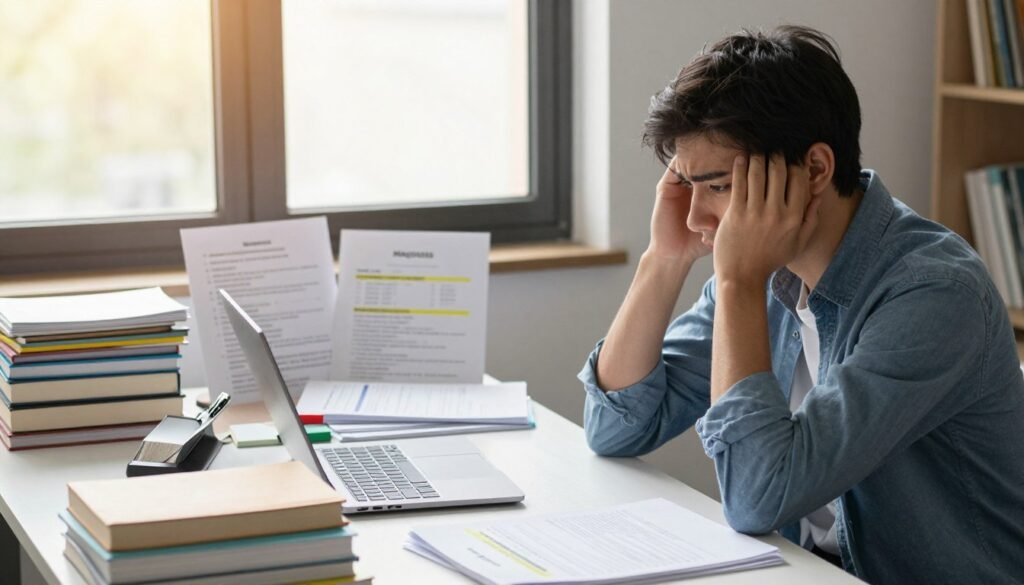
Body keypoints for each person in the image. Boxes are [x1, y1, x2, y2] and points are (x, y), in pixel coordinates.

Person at [578, 25, 1024, 584]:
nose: (695, 217)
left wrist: (738, 281)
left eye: (715, 186)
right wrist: (663, 259)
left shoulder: (933, 294)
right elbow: (614, 428)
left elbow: (757, 498)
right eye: (686, 186)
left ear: (814, 169)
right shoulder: (772, 272)